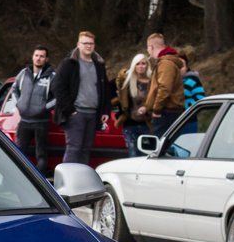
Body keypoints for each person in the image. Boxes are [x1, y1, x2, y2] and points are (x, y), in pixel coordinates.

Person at [53, 31, 113, 167]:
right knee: (74, 148)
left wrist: (105, 111)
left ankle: (81, 183)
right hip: (76, 114)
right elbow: (58, 88)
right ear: (78, 45)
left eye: (91, 43)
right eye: (85, 43)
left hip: (93, 114)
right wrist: (69, 110)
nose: (88, 46)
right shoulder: (69, 63)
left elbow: (105, 90)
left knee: (86, 150)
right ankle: (68, 182)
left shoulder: (99, 65)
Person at [12, 45, 55, 173]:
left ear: (46, 59)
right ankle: (16, 176)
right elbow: (14, 90)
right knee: (17, 151)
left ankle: (39, 184)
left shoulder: (52, 76)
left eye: (42, 56)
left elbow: (58, 97)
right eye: (36, 55)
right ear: (32, 57)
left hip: (42, 122)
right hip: (24, 120)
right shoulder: (24, 73)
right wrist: (19, 104)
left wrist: (44, 108)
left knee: (40, 153)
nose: (38, 59)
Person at [143, 33, 186, 137]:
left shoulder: (165, 63)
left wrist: (157, 110)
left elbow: (164, 88)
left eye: (148, 48)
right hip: (168, 111)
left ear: (151, 47)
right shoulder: (166, 62)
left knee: (162, 147)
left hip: (166, 112)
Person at [115, 53, 152, 157]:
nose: (140, 66)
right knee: (134, 155)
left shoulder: (152, 82)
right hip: (130, 125)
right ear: (133, 66)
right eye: (138, 64)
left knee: (147, 156)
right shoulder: (127, 81)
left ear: (147, 65)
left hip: (147, 124)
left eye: (143, 63)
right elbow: (113, 90)